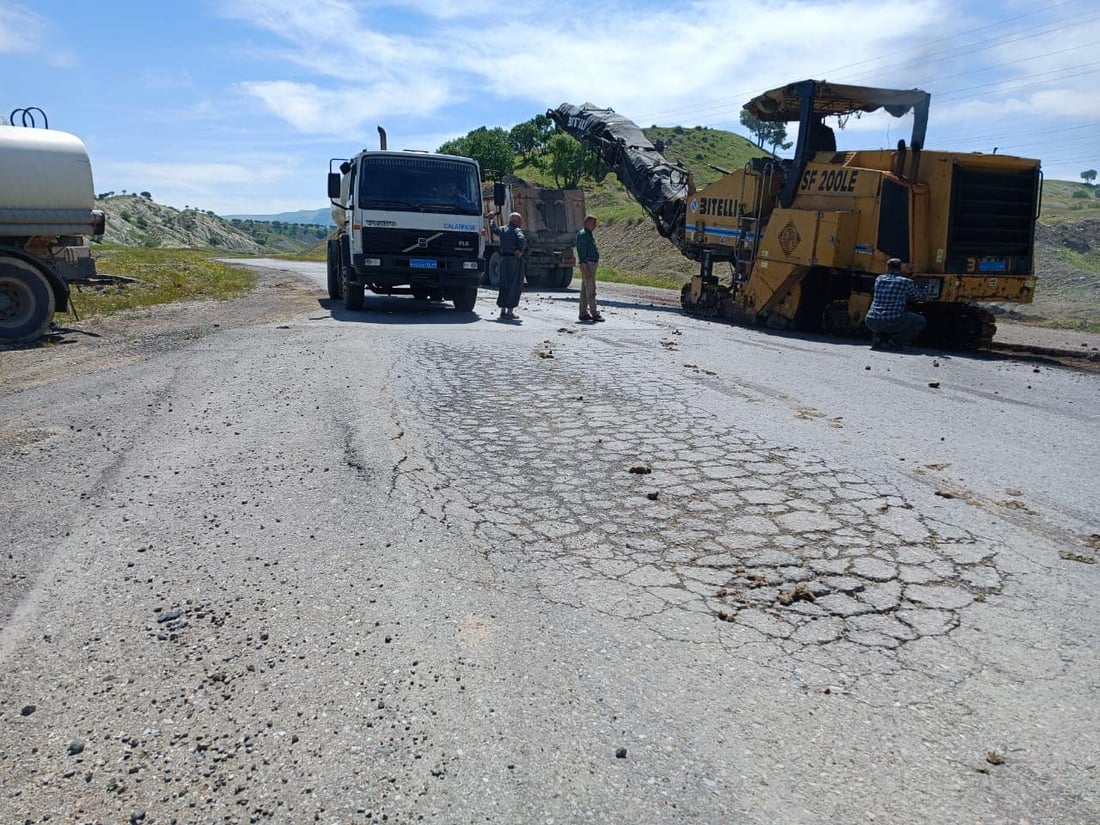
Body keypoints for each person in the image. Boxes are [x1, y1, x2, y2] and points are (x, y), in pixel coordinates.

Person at [864, 258, 928, 350]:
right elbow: (918, 297)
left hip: (871, 320)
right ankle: (895, 341)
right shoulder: (906, 282)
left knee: (883, 313)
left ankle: (878, 337)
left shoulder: (879, 279)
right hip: (892, 321)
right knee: (920, 320)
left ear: (887, 268)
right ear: (900, 268)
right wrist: (926, 297)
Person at [490, 212, 526, 320]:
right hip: (513, 260)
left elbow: (493, 229)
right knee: (514, 284)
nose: (521, 222)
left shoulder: (502, 229)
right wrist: (520, 250)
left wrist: (491, 219)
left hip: (503, 260)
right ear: (514, 221)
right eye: (519, 220)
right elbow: (522, 239)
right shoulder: (517, 231)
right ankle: (510, 312)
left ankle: (502, 310)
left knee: (504, 284)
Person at [576, 215, 603, 322]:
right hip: (588, 264)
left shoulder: (588, 234)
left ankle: (583, 313)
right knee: (591, 290)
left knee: (585, 290)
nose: (595, 226)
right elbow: (581, 252)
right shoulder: (583, 235)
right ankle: (594, 313)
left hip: (590, 263)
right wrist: (585, 267)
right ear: (587, 223)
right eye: (593, 223)